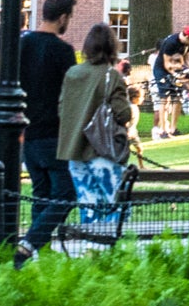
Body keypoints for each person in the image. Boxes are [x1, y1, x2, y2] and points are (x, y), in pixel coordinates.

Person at [17, 0, 80, 266]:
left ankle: (37, 250)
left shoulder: (22, 44)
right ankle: (30, 243)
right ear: (64, 17)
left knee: (41, 193)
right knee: (66, 194)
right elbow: (71, 93)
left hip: (27, 131)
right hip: (54, 132)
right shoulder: (63, 50)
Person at [57, 21, 133, 229]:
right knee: (115, 206)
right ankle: (110, 252)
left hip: (75, 152)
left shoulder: (72, 73)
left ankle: (91, 251)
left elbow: (62, 109)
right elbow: (123, 114)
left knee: (89, 208)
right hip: (102, 152)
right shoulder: (111, 76)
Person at [150, 28, 189, 139]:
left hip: (175, 72)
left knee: (177, 97)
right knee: (164, 99)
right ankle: (163, 130)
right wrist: (175, 73)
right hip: (163, 72)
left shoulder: (187, 45)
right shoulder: (170, 43)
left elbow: (185, 61)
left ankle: (173, 128)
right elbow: (167, 64)